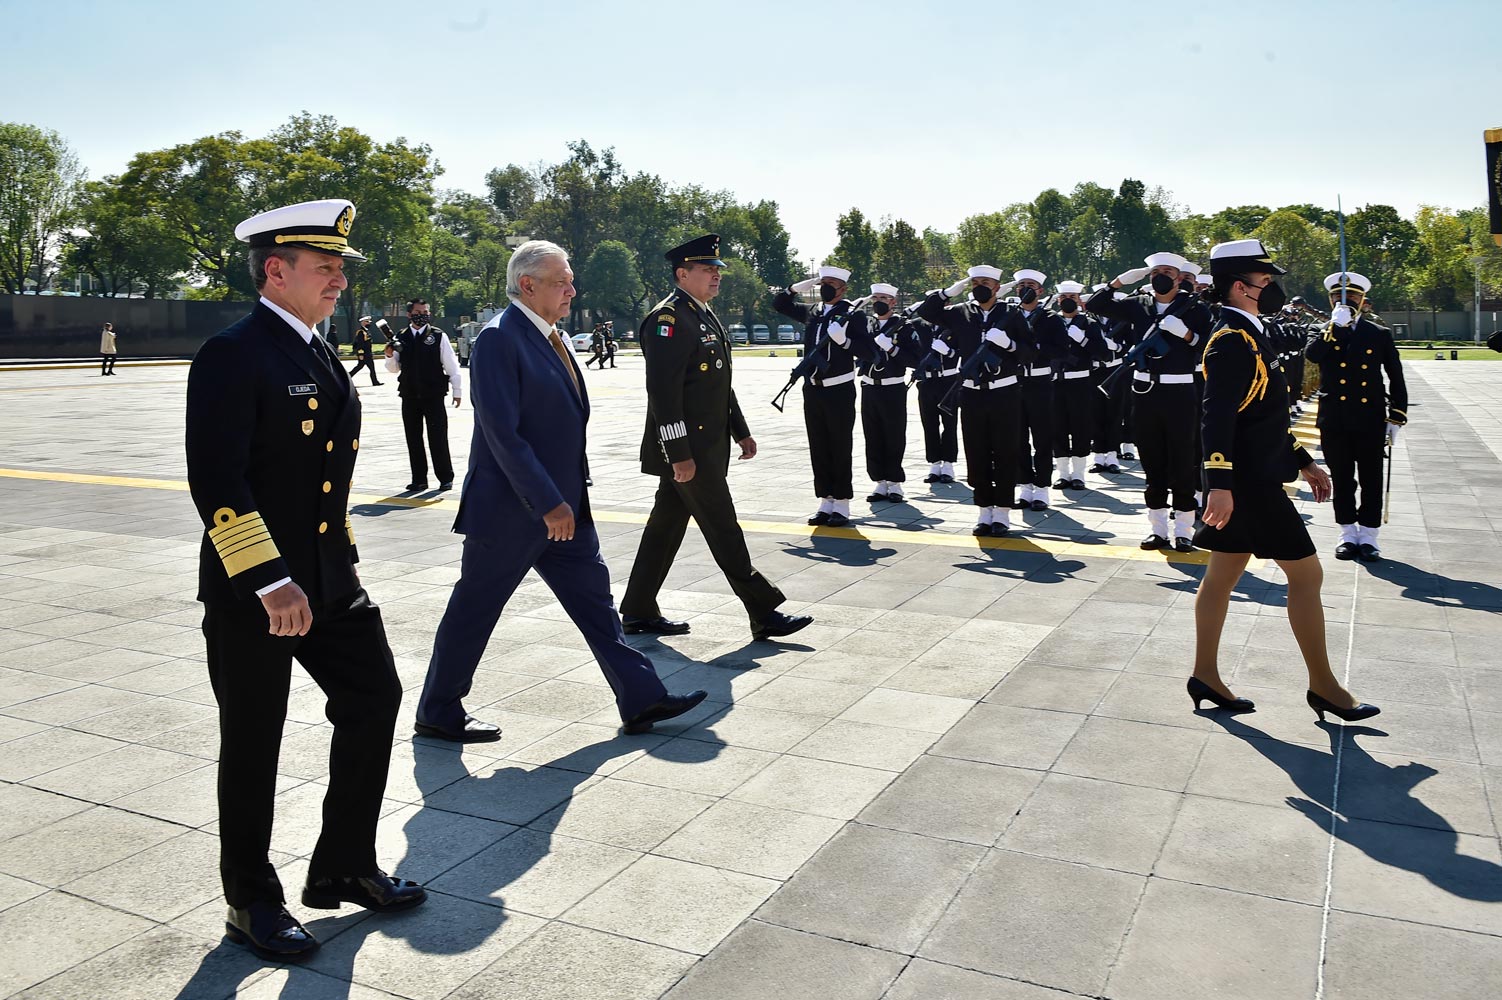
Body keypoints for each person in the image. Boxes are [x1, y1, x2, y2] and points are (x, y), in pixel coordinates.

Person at [186, 198, 424, 962]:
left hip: (329, 581)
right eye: (325, 268)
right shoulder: (233, 353)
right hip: (257, 592)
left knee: (374, 696)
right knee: (253, 739)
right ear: (275, 270)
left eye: (340, 269)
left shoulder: (318, 351)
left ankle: (343, 864)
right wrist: (267, 579)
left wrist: (336, 565)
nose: (339, 281)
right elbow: (217, 479)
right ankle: (250, 900)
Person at [416, 240, 708, 741]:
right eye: (561, 282)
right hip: (512, 511)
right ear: (527, 285)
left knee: (596, 604)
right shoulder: (499, 339)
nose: (572, 290)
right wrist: (548, 501)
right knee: (475, 609)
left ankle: (641, 696)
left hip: (566, 508)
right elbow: (503, 435)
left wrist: (566, 498)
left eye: (571, 280)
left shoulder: (558, 338)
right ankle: (438, 709)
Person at [1189, 238, 1379, 723]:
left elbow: (1264, 417)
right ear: (1240, 286)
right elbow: (1216, 417)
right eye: (1265, 280)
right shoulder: (1232, 339)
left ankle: (1205, 675)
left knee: (1222, 574)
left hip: (1252, 475)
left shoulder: (1252, 333)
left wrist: (1304, 461)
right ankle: (1324, 687)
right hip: (1249, 484)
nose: (1271, 287)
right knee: (1307, 575)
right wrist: (1219, 484)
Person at [620, 234, 811, 641]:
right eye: (707, 270)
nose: (716, 276)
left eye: (717, 270)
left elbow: (719, 384)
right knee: (723, 527)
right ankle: (763, 610)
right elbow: (664, 394)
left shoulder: (702, 315)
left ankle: (638, 609)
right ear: (682, 274)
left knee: (665, 528)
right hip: (689, 450)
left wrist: (741, 431)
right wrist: (679, 453)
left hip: (707, 446)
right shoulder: (669, 319)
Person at [1086, 252, 1212, 552]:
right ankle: (1158, 530)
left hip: (1180, 391)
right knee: (1152, 462)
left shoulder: (1195, 307)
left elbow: (1209, 345)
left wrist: (1187, 334)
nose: (1161, 277)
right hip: (1144, 391)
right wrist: (1117, 283)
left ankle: (1183, 530)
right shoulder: (1138, 304)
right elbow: (1094, 305)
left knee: (1182, 461)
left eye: (1167, 271)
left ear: (1179, 278)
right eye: (1155, 272)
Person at [916, 265, 1032, 536]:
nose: (979, 286)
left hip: (1004, 392)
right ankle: (983, 511)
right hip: (971, 393)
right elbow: (926, 312)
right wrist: (947, 293)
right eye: (975, 282)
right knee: (976, 451)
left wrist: (1009, 344)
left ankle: (1002, 512)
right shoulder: (960, 313)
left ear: (997, 287)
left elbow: (1030, 353)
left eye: (985, 282)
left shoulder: (1012, 314)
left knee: (1005, 451)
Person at [1305, 271, 1408, 561]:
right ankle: (1347, 533)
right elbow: (1312, 355)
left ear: (1362, 300)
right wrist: (1334, 327)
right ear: (1330, 300)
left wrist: (1396, 415)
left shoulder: (1378, 333)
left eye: (1351, 296)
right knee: (1342, 478)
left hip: (1369, 416)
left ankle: (1370, 536)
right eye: (1338, 296)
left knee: (1371, 478)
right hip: (1335, 417)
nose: (1345, 300)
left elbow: (1395, 375)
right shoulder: (1321, 330)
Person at [773, 265, 868, 526]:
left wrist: (845, 342)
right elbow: (779, 304)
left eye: (831, 284)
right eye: (822, 283)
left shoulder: (853, 315)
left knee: (839, 445)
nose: (825, 287)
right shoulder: (813, 311)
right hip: (813, 388)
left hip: (839, 389)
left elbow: (869, 352)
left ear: (843, 289)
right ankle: (825, 500)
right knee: (818, 445)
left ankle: (842, 503)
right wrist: (794, 289)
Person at [385, 298, 462, 492]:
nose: (422, 316)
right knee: (413, 438)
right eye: (418, 313)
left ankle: (445, 477)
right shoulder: (401, 337)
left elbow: (451, 364)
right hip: (409, 394)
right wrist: (389, 355)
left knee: (438, 437)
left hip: (433, 394)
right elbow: (394, 368)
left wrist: (457, 389)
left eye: (425, 312)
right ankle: (419, 479)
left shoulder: (437, 336)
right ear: (409, 315)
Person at [1007, 269, 1064, 509]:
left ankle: (1041, 488)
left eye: (1030, 285)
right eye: (1021, 285)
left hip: (1040, 382)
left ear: (1040, 290)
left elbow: (1061, 350)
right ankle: (1025, 486)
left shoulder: (1051, 318)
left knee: (1042, 437)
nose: (1025, 289)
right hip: (1014, 382)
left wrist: (1035, 348)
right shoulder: (1009, 316)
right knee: (1018, 437)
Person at [859, 283, 915, 502]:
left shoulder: (904, 326)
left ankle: (894, 482)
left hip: (893, 387)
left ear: (893, 302)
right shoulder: (867, 325)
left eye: (883, 298)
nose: (878, 302)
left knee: (894, 434)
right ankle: (879, 482)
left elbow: (915, 358)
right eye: (875, 298)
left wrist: (892, 348)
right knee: (872, 435)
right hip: (869, 386)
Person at [1049, 281, 1101, 490]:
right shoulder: (1051, 321)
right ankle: (1063, 473)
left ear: (1079, 300)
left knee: (1081, 426)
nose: (1067, 300)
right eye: (1064, 297)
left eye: (1072, 297)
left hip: (1080, 381)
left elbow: (1102, 352)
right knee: (1057, 427)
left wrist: (1083, 340)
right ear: (1058, 300)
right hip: (1055, 381)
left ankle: (1078, 474)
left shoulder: (1089, 324)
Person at [910, 314, 960, 485]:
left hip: (948, 380)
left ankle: (948, 464)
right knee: (929, 423)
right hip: (927, 381)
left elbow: (965, 351)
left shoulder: (954, 323)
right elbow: (912, 351)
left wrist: (949, 352)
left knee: (949, 423)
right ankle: (934, 463)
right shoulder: (918, 325)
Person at [348, 316, 382, 385]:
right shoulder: (361, 332)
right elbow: (360, 344)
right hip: (365, 354)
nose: (369, 323)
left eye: (369, 322)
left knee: (360, 366)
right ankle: (375, 381)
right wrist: (360, 354)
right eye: (367, 322)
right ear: (362, 322)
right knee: (371, 368)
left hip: (368, 353)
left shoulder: (366, 331)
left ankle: (347, 377)